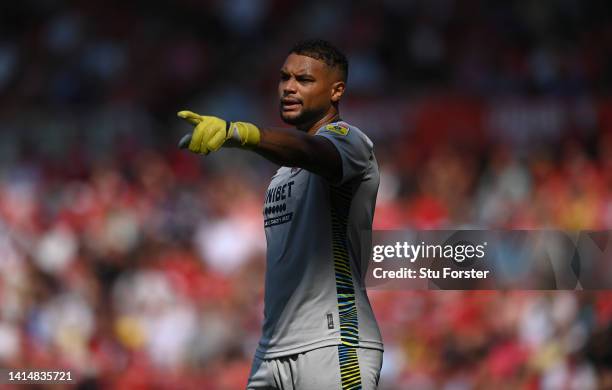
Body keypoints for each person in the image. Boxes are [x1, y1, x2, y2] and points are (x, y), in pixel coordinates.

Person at [178, 39, 383, 390]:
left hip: (333, 343)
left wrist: (241, 133)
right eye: (284, 77)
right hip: (272, 349)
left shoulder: (350, 142)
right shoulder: (282, 174)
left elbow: (312, 150)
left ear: (336, 91)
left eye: (304, 80)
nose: (289, 87)